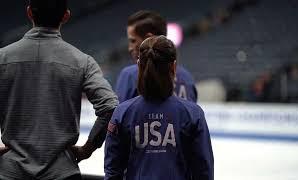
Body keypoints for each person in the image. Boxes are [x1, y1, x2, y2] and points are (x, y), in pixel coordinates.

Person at [0, 0, 118, 179]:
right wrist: (89, 148)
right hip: (62, 173)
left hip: (11, 172)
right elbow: (110, 107)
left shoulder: (3, 58)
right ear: (66, 16)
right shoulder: (82, 61)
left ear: (29, 12)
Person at [104, 36, 214, 180]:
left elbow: (112, 171)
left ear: (139, 66)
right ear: (174, 67)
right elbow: (203, 171)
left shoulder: (123, 112)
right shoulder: (193, 114)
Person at [115, 10, 197, 103]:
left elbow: (119, 115)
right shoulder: (187, 78)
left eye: (133, 41)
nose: (130, 48)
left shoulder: (130, 75)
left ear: (148, 38)